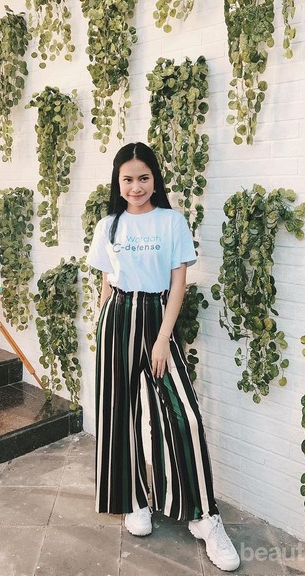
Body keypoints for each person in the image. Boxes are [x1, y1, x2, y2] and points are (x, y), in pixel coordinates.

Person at [86, 142, 240, 572]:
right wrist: (102, 323)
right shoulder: (108, 225)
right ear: (118, 182)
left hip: (158, 318)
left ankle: (204, 517)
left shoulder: (172, 221)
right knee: (119, 414)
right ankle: (133, 500)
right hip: (117, 317)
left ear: (155, 179)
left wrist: (162, 338)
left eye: (144, 177)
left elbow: (178, 283)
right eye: (127, 179)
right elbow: (106, 281)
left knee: (184, 415)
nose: (136, 186)